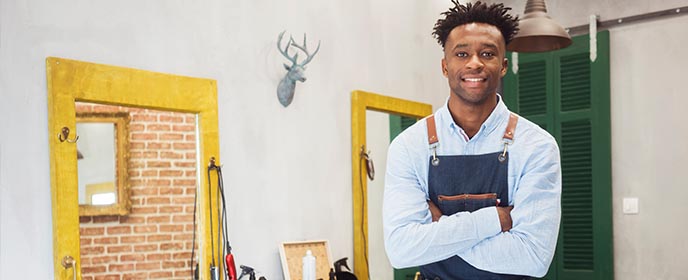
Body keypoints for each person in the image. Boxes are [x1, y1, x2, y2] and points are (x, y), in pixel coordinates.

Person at [382, 1, 562, 279]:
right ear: (445, 66)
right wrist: (495, 220)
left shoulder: (536, 146)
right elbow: (401, 251)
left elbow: (533, 257)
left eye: (487, 53)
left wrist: (440, 227)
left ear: (502, 66)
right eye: (462, 53)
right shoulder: (408, 146)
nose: (474, 63)